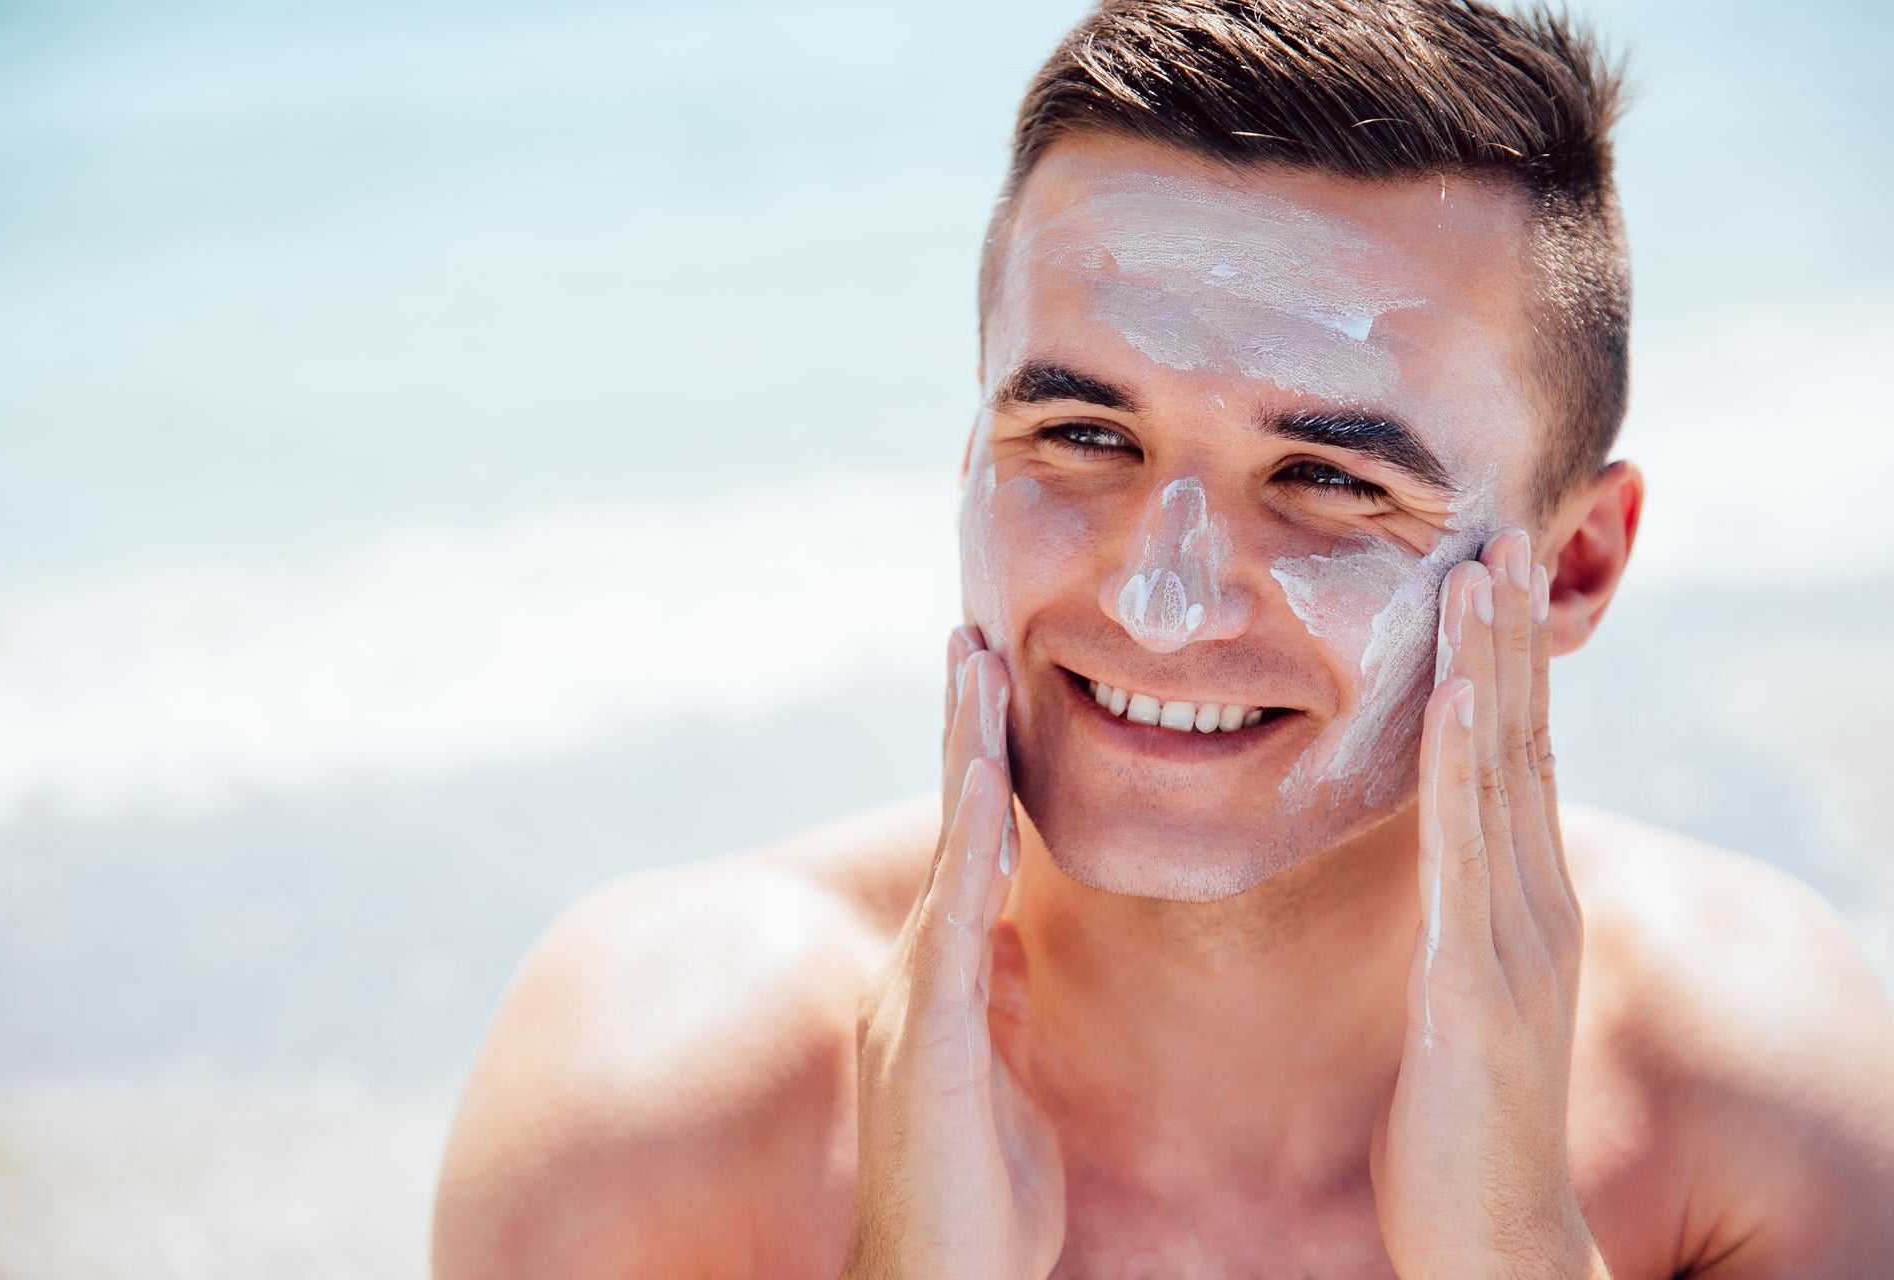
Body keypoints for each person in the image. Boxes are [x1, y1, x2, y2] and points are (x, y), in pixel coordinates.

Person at [431, 2, 1894, 1275]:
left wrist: (1514, 1252)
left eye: (1327, 480)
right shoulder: (658, 1098)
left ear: (1575, 567)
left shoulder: (1753, 1103)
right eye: (1081, 434)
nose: (1162, 601)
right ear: (969, 464)